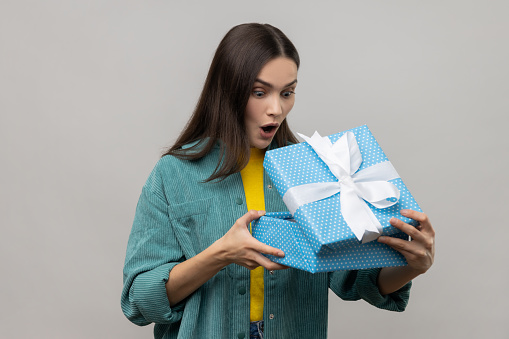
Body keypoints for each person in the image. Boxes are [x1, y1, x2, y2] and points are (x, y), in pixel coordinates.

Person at [121, 23, 435, 339]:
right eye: (260, 93)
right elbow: (139, 301)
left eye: (287, 93)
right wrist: (220, 254)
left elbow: (353, 278)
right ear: (227, 90)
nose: (276, 109)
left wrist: (412, 265)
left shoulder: (315, 171)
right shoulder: (174, 174)